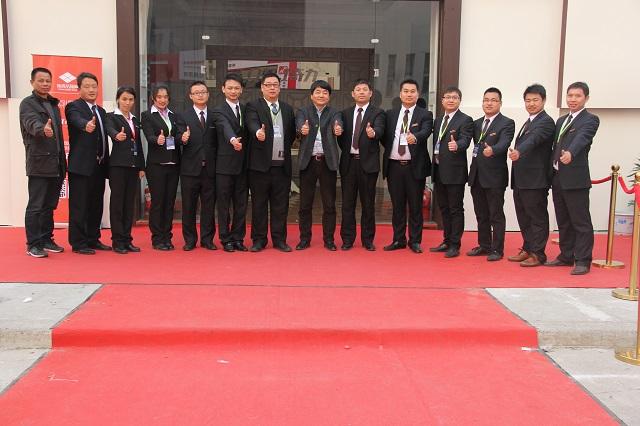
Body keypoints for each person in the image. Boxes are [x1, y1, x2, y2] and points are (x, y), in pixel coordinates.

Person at [545, 82, 600, 275]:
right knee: (563, 220)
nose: (573, 99)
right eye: (570, 96)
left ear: (586, 98)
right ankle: (566, 255)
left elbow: (581, 139)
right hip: (558, 177)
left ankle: (583, 260)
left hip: (576, 178)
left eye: (577, 96)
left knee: (580, 221)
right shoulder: (561, 121)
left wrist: (571, 153)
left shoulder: (590, 119)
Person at [245, 72, 296, 252]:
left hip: (281, 166)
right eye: (268, 85)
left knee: (280, 206)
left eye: (275, 84)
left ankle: (279, 239)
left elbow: (291, 135)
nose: (272, 88)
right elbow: (251, 123)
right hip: (260, 167)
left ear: (280, 87)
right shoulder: (253, 106)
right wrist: (257, 132)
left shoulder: (287, 108)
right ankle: (259, 240)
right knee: (259, 205)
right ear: (262, 87)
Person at [382, 78, 433, 253]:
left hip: (414, 167)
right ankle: (398, 240)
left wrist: (416, 137)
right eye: (406, 91)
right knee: (397, 206)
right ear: (400, 94)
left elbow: (426, 131)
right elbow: (385, 137)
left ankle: (415, 241)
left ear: (417, 94)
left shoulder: (425, 114)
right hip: (394, 166)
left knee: (415, 206)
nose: (409, 94)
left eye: (412, 91)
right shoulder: (390, 114)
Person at [19, 67, 66, 258]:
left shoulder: (53, 104)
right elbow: (31, 123)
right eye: (41, 80)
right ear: (32, 82)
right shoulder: (27, 104)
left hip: (56, 163)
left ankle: (46, 239)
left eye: (48, 80)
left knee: (49, 205)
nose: (45, 84)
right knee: (36, 206)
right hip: (39, 163)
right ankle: (33, 244)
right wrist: (41, 129)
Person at [508, 84, 555, 267]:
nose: (531, 103)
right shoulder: (529, 121)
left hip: (536, 179)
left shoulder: (546, 122)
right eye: (528, 100)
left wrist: (519, 151)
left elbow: (533, 140)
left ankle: (538, 254)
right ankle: (527, 248)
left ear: (543, 100)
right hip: (521, 179)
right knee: (524, 216)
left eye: (535, 100)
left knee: (537, 218)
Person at [467, 87, 515, 261]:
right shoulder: (476, 123)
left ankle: (497, 249)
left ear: (500, 103)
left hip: (494, 177)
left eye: (493, 100)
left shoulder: (507, 123)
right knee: (481, 214)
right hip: (476, 175)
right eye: (486, 100)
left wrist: (493, 150)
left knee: (496, 214)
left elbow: (504, 143)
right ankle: (484, 245)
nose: (489, 103)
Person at [337, 78, 385, 251]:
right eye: (358, 89)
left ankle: (368, 240)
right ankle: (347, 239)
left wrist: (374, 133)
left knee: (368, 204)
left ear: (370, 93)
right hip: (349, 163)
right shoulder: (345, 113)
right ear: (353, 94)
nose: (362, 92)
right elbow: (342, 139)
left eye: (365, 89)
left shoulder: (378, 113)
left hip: (368, 165)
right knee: (347, 204)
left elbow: (380, 130)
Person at [65, 72, 110, 255]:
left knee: (96, 205)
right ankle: (78, 242)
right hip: (81, 166)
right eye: (87, 86)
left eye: (94, 86)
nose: (91, 90)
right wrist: (86, 125)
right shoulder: (73, 107)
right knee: (80, 205)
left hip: (99, 165)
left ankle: (93, 238)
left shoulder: (101, 111)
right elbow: (76, 120)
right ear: (79, 89)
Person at [295, 80, 343, 251]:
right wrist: (302, 130)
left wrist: (338, 129)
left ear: (329, 96)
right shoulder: (303, 111)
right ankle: (304, 239)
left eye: (325, 92)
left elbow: (338, 124)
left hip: (327, 162)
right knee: (305, 204)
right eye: (318, 92)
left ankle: (329, 239)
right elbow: (299, 125)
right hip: (308, 162)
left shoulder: (334, 112)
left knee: (329, 204)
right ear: (311, 95)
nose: (321, 95)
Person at [429, 86, 474, 258]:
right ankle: (446, 240)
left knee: (455, 209)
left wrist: (458, 145)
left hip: (455, 172)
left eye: (454, 97)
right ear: (442, 100)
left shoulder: (465, 119)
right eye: (447, 97)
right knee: (444, 208)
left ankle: (455, 244)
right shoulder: (439, 120)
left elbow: (465, 140)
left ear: (459, 100)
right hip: (439, 169)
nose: (450, 100)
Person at [175, 81, 217, 251]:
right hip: (190, 169)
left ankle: (207, 239)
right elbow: (177, 137)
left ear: (208, 94)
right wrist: (182, 138)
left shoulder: (214, 115)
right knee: (189, 207)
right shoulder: (183, 116)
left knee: (209, 207)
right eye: (196, 92)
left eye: (203, 92)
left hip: (210, 169)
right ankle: (190, 240)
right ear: (190, 96)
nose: (200, 95)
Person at [105, 86, 145, 254]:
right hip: (118, 166)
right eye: (124, 99)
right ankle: (117, 241)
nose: (127, 102)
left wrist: (141, 166)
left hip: (133, 166)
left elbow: (138, 144)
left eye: (130, 99)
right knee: (117, 204)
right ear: (118, 100)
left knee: (129, 204)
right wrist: (116, 135)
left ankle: (127, 239)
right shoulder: (111, 117)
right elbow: (109, 129)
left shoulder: (134, 120)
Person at [212, 74, 249, 252]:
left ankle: (238, 238)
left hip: (243, 165)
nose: (233, 91)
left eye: (236, 88)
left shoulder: (246, 109)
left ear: (241, 90)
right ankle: (225, 238)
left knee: (241, 204)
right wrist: (233, 139)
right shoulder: (218, 111)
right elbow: (225, 126)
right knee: (224, 205)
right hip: (224, 166)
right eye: (230, 88)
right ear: (223, 89)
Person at [141, 85, 180, 251]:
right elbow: (148, 135)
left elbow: (176, 136)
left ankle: (167, 236)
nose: (162, 100)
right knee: (158, 202)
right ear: (153, 98)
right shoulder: (147, 115)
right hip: (156, 165)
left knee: (169, 202)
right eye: (159, 97)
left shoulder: (173, 115)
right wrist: (156, 139)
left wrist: (182, 137)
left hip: (173, 164)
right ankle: (157, 238)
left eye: (165, 97)